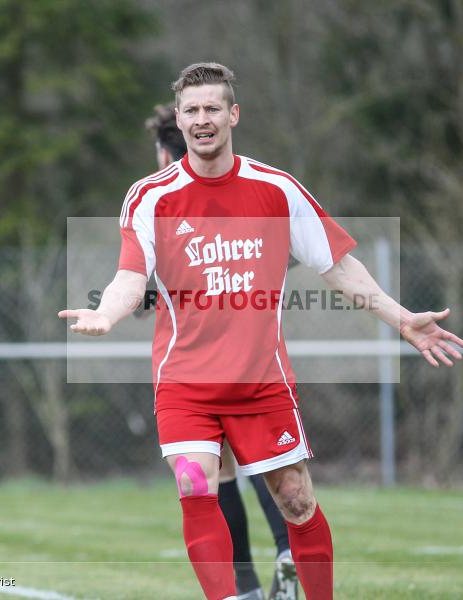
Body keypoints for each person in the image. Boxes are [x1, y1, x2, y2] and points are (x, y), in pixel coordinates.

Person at [60, 62, 463, 600]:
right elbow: (131, 277)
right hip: (186, 381)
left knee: (296, 499)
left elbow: (337, 265)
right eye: (191, 110)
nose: (202, 119)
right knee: (195, 484)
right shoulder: (149, 197)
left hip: (261, 380)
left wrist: (402, 319)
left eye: (212, 108)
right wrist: (106, 315)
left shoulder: (276, 189)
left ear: (233, 114)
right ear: (178, 122)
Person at [145, 102, 299, 600]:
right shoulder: (250, 190)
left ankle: (246, 584)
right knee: (255, 463)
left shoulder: (168, 198)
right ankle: (283, 552)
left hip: (200, 365)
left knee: (216, 473)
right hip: (254, 355)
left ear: (170, 154)